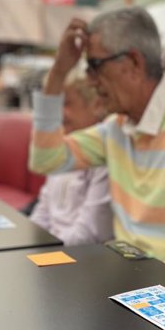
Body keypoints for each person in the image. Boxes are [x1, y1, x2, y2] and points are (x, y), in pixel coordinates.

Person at [29, 6, 165, 287]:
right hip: (132, 282)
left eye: (94, 66)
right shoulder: (117, 128)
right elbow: (45, 160)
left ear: (132, 63)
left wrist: (135, 285)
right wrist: (58, 73)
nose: (90, 81)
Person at [29, 68, 114, 246]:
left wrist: (44, 251)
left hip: (80, 260)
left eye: (65, 103)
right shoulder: (61, 148)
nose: (56, 113)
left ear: (96, 105)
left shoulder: (105, 157)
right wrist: (27, 245)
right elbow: (43, 211)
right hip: (54, 249)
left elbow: (90, 235)